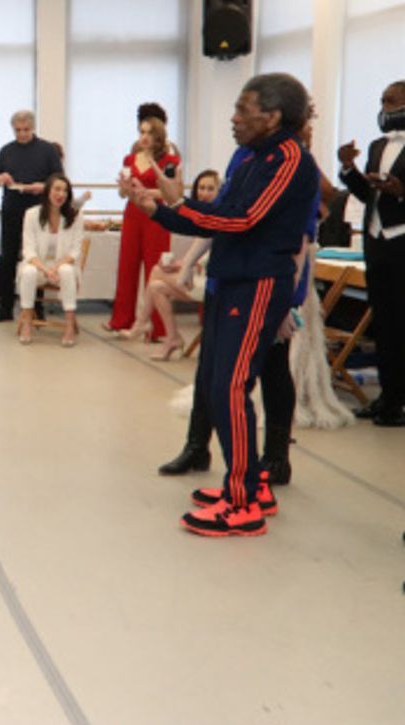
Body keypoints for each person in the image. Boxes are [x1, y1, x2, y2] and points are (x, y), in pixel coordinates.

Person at [131, 73, 319, 537]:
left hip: (257, 284)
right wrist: (164, 210)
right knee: (215, 384)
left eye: (242, 109)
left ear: (272, 116)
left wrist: (170, 209)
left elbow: (243, 218)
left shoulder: (291, 160)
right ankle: (249, 483)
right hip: (231, 280)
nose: (233, 119)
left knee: (231, 388)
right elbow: (219, 215)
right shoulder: (254, 157)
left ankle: (243, 504)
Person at [337, 80, 405, 426]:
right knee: (384, 323)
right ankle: (387, 397)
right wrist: (349, 169)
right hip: (377, 244)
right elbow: (369, 196)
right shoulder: (378, 145)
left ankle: (400, 402)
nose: (384, 107)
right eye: (382, 101)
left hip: (403, 242)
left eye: (391, 101)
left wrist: (401, 191)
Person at [122, 169, 221, 358]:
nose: (204, 193)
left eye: (210, 189)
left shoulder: (218, 217)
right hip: (199, 277)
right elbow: (198, 251)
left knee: (156, 274)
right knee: (156, 285)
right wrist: (179, 264)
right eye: (201, 188)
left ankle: (142, 323)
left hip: (213, 283)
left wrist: (183, 265)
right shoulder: (200, 215)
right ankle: (171, 337)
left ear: (219, 192)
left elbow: (206, 255)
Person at [0, 110, 63, 322]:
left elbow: (60, 179)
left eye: (26, 130)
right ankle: (5, 308)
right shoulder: (7, 151)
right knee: (7, 258)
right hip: (11, 208)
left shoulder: (47, 150)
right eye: (17, 131)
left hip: (38, 210)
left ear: (33, 128)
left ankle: (36, 309)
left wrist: (44, 186)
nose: (21, 134)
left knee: (35, 257)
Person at [106, 113, 179, 339]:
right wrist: (125, 188)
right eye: (142, 132)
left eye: (150, 132)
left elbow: (173, 193)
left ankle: (156, 327)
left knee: (154, 268)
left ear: (159, 136)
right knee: (126, 266)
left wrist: (146, 192)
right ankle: (121, 320)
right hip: (132, 213)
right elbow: (122, 193)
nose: (145, 137)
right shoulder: (130, 159)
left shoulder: (169, 161)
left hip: (157, 215)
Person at [16, 173, 86, 347]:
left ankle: (69, 325)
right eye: (57, 189)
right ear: (48, 191)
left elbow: (75, 251)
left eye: (65, 191)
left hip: (62, 265)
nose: (61, 194)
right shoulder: (32, 214)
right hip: (38, 264)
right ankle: (27, 322)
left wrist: (55, 268)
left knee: (67, 271)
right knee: (29, 272)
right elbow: (29, 250)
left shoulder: (75, 216)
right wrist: (47, 270)